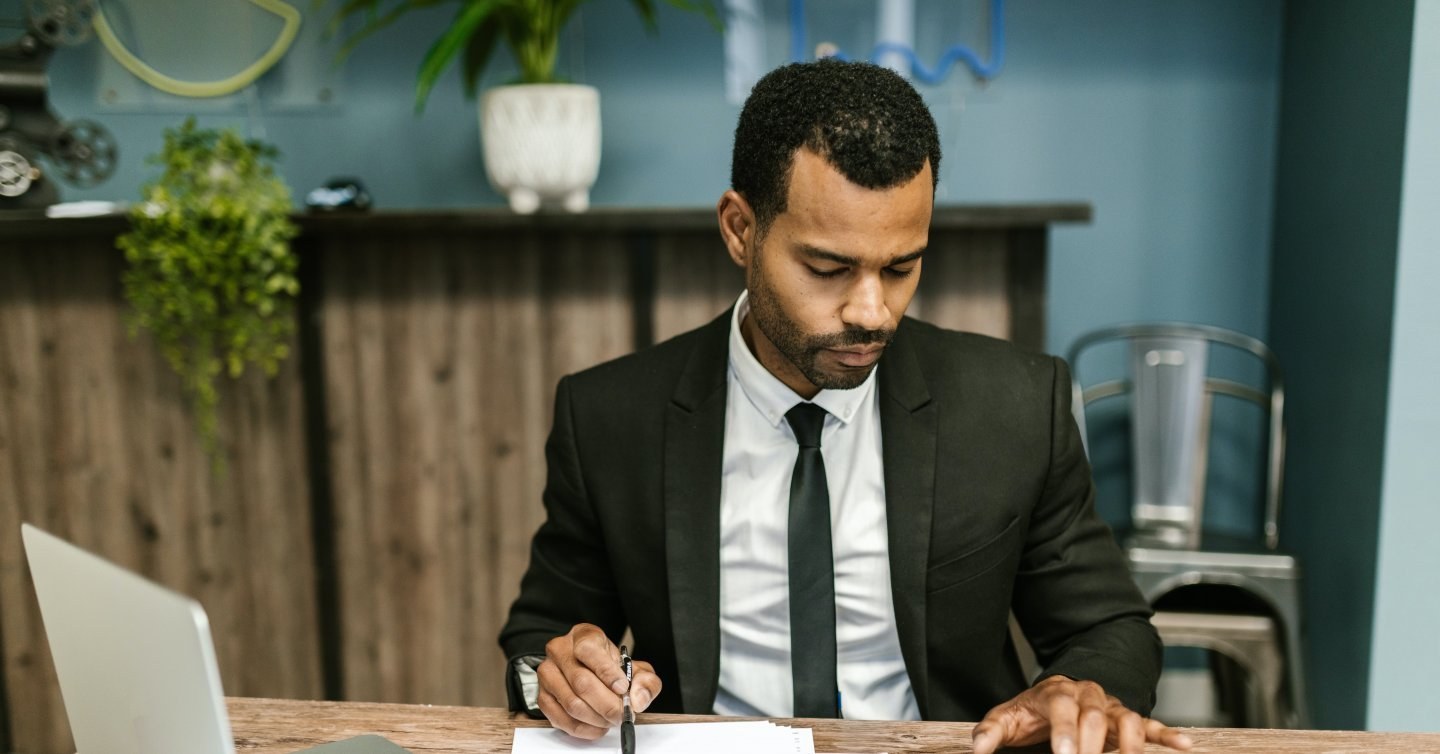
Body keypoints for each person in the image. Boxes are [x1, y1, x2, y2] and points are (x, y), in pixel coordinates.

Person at [499, 58, 1192, 754]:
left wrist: (1077, 688)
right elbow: (541, 641)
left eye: (900, 268)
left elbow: (1109, 630)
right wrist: (557, 678)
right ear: (741, 229)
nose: (871, 312)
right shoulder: (611, 417)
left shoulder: (1014, 406)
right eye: (828, 269)